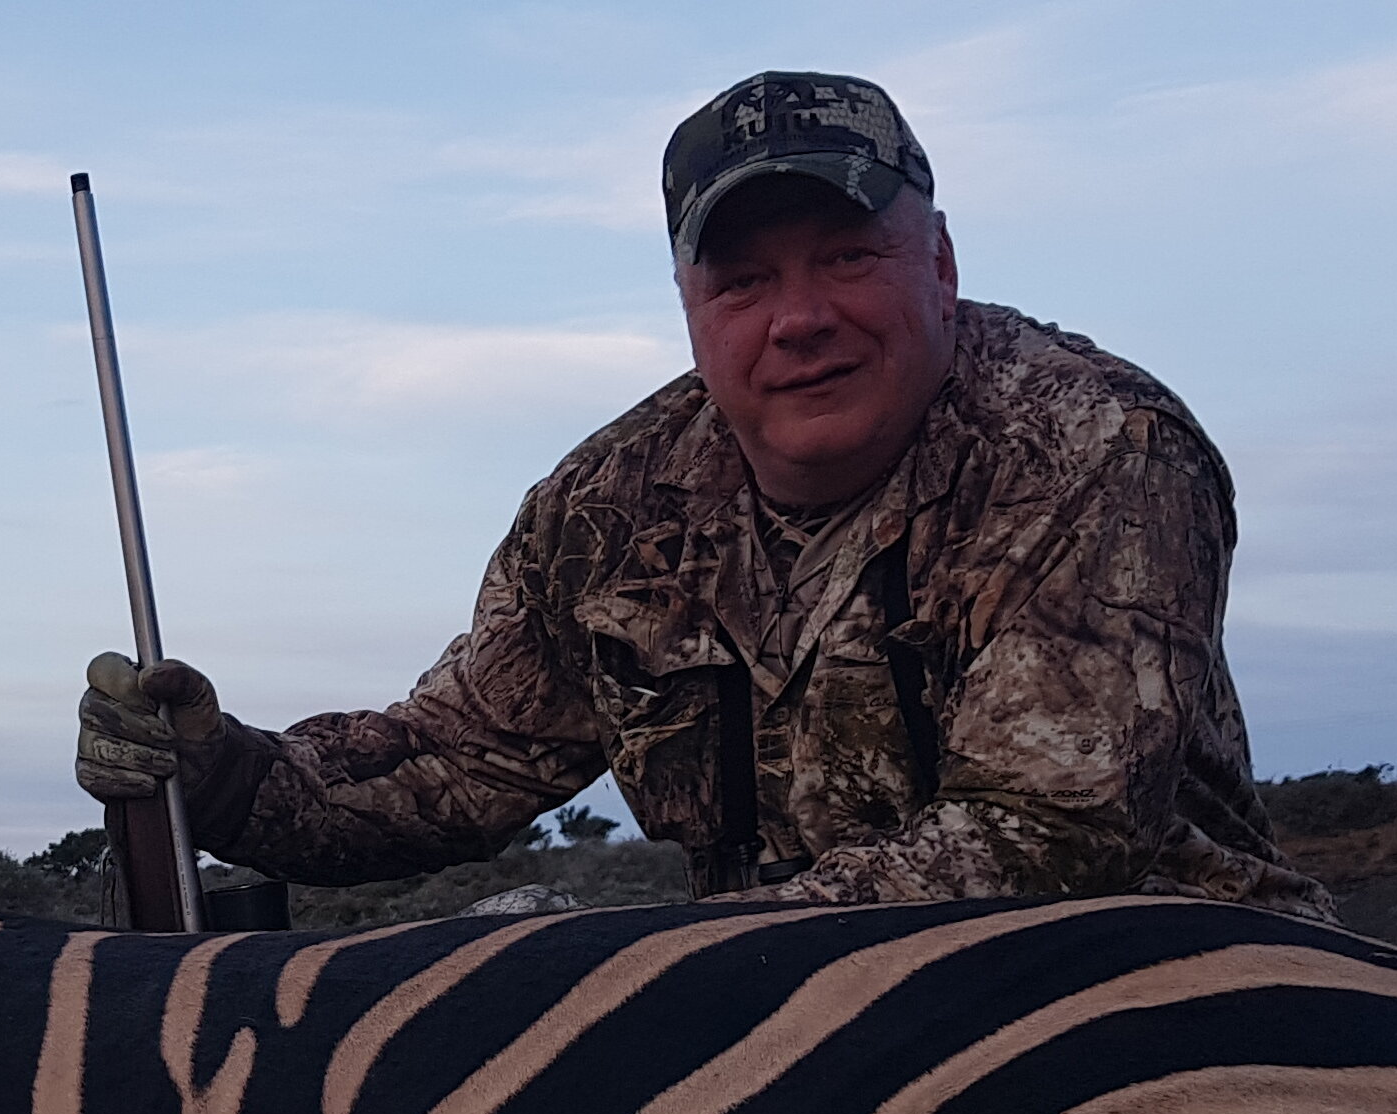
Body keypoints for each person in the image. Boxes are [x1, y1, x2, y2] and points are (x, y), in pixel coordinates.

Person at [75, 71, 1326, 915]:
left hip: (1155, 1012)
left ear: (937, 264)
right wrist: (224, 772)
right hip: (783, 1047)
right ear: (688, 308)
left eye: (847, 258)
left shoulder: (1101, 448)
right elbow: (456, 760)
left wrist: (633, 975)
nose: (800, 320)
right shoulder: (605, 514)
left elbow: (1040, 846)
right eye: (743, 283)